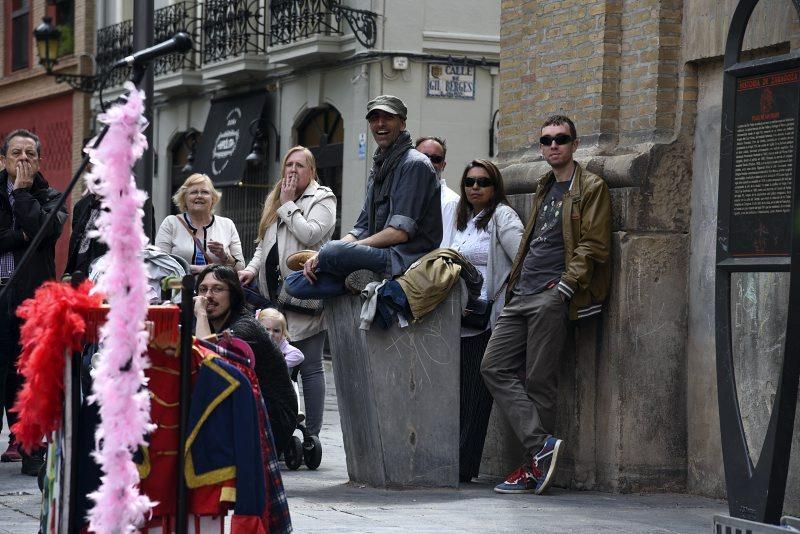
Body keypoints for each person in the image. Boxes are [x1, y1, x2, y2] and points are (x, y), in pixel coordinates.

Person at [480, 115, 612, 495]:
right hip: (522, 294)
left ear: (574, 144)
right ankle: (540, 448)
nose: (553, 145)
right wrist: (515, 283)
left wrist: (566, 287)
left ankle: (532, 468)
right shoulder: (543, 187)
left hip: (553, 296)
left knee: (539, 381)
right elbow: (532, 242)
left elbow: (594, 244)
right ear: (540, 147)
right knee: (493, 366)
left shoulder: (591, 187)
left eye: (561, 139)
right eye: (547, 140)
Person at [284, 95, 441, 298]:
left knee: (332, 251)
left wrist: (339, 250)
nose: (380, 124)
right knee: (293, 284)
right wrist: (338, 250)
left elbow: (399, 233)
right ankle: (354, 283)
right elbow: (361, 228)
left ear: (402, 123)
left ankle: (357, 276)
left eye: (388, 118)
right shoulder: (379, 166)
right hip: (377, 255)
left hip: (403, 258)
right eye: (374, 118)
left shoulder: (415, 164)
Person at [238, 146, 336, 439]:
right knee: (274, 365)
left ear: (312, 171)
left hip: (304, 296)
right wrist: (252, 269)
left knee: (310, 366)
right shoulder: (278, 197)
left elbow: (310, 234)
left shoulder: (323, 198)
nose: (292, 170)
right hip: (273, 302)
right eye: (288, 165)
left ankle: (313, 435)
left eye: (300, 166)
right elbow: (262, 243)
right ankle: (280, 427)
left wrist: (289, 204)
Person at [446, 159, 523, 483]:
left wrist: (498, 298)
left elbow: (522, 257)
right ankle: (455, 462)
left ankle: (464, 467)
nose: (475, 187)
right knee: (459, 394)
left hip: (487, 319)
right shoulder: (462, 219)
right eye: (470, 181)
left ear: (495, 187)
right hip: (458, 321)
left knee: (477, 395)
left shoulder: (502, 217)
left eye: (483, 182)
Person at [0, 129, 67, 474]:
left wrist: (24, 195)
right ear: (3, 159)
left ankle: (30, 449)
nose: (23, 159)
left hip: (32, 299)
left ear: (39, 160)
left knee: (29, 375)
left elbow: (44, 232)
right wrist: (17, 236)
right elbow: (26, 234)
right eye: (16, 153)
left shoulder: (52, 195)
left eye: (30, 154)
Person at [193, 265, 298, 456]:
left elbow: (208, 364)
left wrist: (200, 314)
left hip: (269, 418)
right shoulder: (207, 324)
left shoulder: (246, 327)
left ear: (233, 294)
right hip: (240, 408)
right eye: (203, 289)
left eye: (217, 289)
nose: (208, 296)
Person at [155, 173, 244, 274]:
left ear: (213, 198)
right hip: (179, 288)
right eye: (194, 192)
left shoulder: (227, 225)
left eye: (205, 192)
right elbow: (160, 263)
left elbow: (240, 269)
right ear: (184, 198)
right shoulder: (171, 223)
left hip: (217, 288)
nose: (199, 196)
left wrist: (224, 256)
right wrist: (198, 269)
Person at [415, 136, 459, 248]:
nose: (428, 162)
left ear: (443, 165)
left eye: (436, 159)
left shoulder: (450, 202)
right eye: (423, 157)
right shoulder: (403, 194)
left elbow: (444, 250)